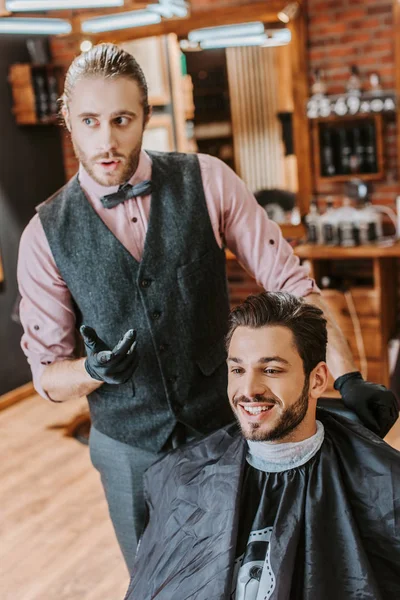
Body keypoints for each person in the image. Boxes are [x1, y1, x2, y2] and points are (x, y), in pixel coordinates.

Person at [16, 43, 396, 573]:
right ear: (67, 121)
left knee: (247, 571)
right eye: (89, 121)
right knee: (157, 578)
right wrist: (91, 371)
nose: (106, 140)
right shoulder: (42, 235)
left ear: (146, 117)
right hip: (128, 449)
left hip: (226, 426)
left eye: (122, 119)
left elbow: (293, 284)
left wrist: (350, 376)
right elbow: (47, 377)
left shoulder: (208, 179)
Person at [125, 292, 400, 600]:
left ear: (317, 379)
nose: (249, 390)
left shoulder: (385, 484)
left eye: (271, 370)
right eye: (238, 369)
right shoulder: (182, 480)